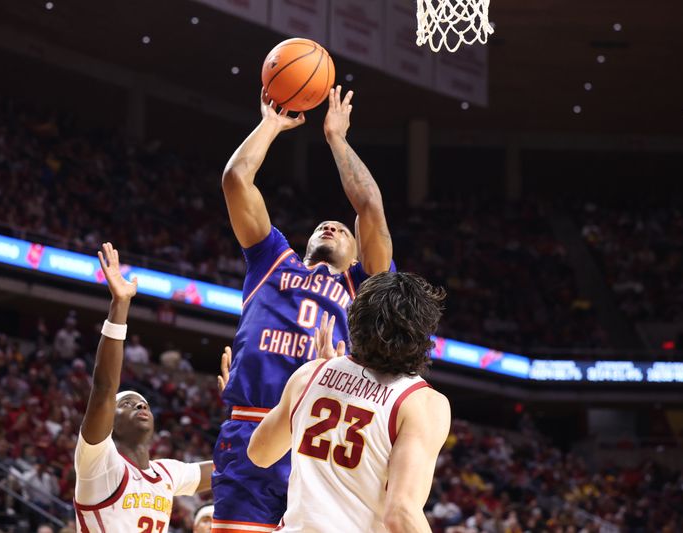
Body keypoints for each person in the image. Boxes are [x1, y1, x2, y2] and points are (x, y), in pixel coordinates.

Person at [212, 85, 394, 530]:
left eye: (342, 229)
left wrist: (337, 138)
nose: (332, 224)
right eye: (322, 225)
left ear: (357, 255)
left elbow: (368, 205)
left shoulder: (363, 285)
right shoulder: (270, 260)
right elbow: (236, 180)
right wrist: (271, 123)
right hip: (252, 427)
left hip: (322, 441)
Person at [247, 272, 451, 533]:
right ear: (422, 335)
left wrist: (321, 379)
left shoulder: (310, 374)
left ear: (354, 321)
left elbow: (260, 453)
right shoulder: (423, 403)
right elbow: (400, 513)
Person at [74, 243, 213, 532]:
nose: (140, 405)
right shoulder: (99, 462)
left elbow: (230, 468)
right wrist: (120, 305)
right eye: (127, 404)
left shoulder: (166, 472)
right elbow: (103, 389)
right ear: (109, 422)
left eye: (144, 404)